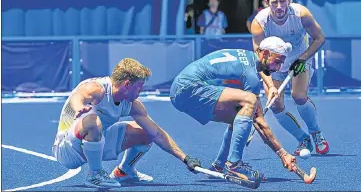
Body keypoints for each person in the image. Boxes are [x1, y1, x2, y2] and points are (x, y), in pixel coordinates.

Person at [52, 58, 201, 188]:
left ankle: (125, 172)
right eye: (139, 86)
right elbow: (78, 96)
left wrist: (185, 158)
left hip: (97, 142)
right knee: (92, 121)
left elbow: (157, 134)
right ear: (127, 84)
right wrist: (79, 108)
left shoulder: (132, 104)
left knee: (146, 132)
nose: (141, 91)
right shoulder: (97, 88)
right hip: (68, 149)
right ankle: (95, 174)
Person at [170, 36, 297, 185]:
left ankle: (219, 165)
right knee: (250, 101)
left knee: (239, 115)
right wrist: (282, 153)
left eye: (282, 63)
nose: (278, 68)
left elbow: (262, 71)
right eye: (277, 62)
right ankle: (234, 164)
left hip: (179, 88)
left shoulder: (248, 57)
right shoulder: (250, 76)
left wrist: (271, 86)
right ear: (265, 54)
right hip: (189, 88)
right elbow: (259, 122)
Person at [251, 0, 329, 156]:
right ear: (266, 3)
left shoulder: (301, 14)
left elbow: (319, 38)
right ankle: (303, 138)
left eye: (283, 0)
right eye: (274, 2)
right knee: (276, 105)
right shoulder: (259, 23)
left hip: (299, 58)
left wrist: (302, 59)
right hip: (273, 65)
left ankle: (316, 132)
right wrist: (270, 86)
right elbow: (260, 59)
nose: (279, 6)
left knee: (299, 96)